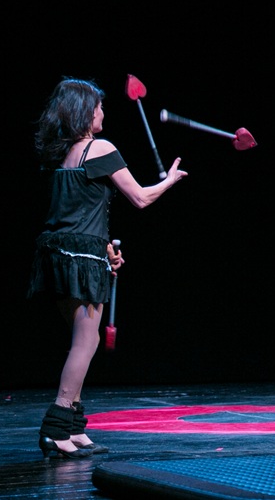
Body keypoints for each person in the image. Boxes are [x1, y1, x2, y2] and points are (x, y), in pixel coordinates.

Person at [26, 77, 188, 458]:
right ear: (85, 111)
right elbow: (140, 198)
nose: (103, 111)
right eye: (98, 106)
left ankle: (74, 427)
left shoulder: (62, 155)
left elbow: (77, 214)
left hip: (58, 254)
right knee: (85, 342)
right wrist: (169, 182)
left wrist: (105, 251)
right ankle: (55, 428)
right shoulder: (101, 149)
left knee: (86, 340)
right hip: (81, 259)